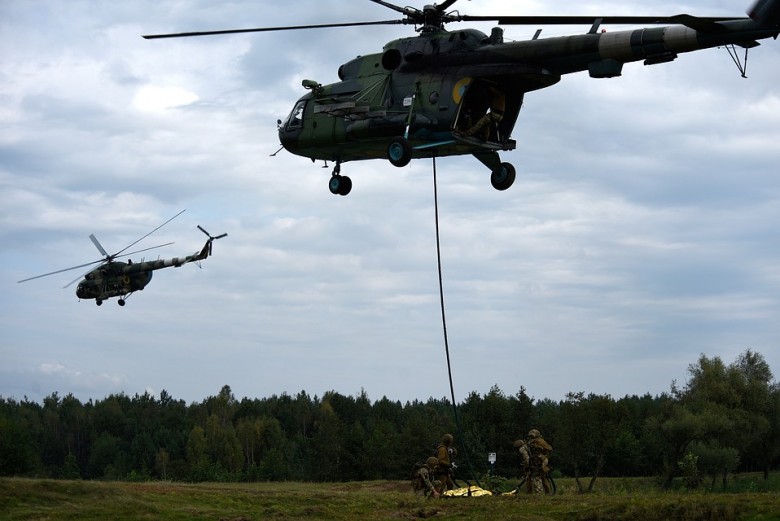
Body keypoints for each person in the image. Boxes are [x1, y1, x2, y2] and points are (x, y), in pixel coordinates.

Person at [525, 428, 553, 494]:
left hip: (540, 462)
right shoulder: (531, 442)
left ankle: (541, 493)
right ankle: (531, 493)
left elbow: (549, 448)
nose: (531, 437)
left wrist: (539, 448)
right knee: (531, 478)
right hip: (534, 461)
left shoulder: (540, 441)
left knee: (539, 477)